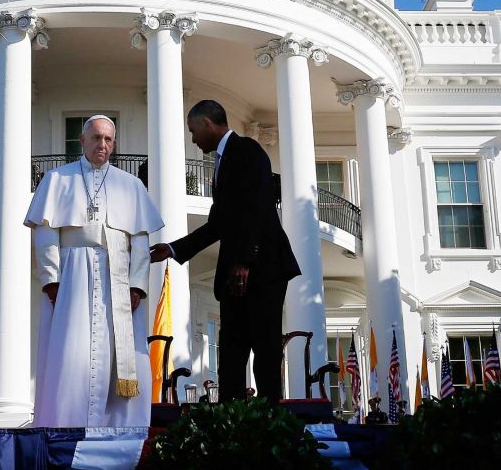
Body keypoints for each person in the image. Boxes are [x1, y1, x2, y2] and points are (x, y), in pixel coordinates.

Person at [150, 100, 301, 404]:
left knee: (265, 351)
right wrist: (174, 248)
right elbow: (218, 225)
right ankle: (230, 420)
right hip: (236, 277)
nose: (193, 138)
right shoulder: (222, 162)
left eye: (194, 131)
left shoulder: (247, 150)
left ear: (207, 123)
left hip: (263, 270)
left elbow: (259, 206)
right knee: (231, 352)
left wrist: (245, 261)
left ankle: (269, 420)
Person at [25, 115, 164, 427]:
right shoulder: (57, 179)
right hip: (73, 273)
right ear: (82, 140)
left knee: (119, 354)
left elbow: (140, 240)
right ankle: (65, 423)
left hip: (118, 274)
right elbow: (46, 233)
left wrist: (137, 285)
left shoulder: (131, 185)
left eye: (109, 140)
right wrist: (51, 279)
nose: (103, 144)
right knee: (70, 349)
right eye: (97, 138)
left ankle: (121, 426)